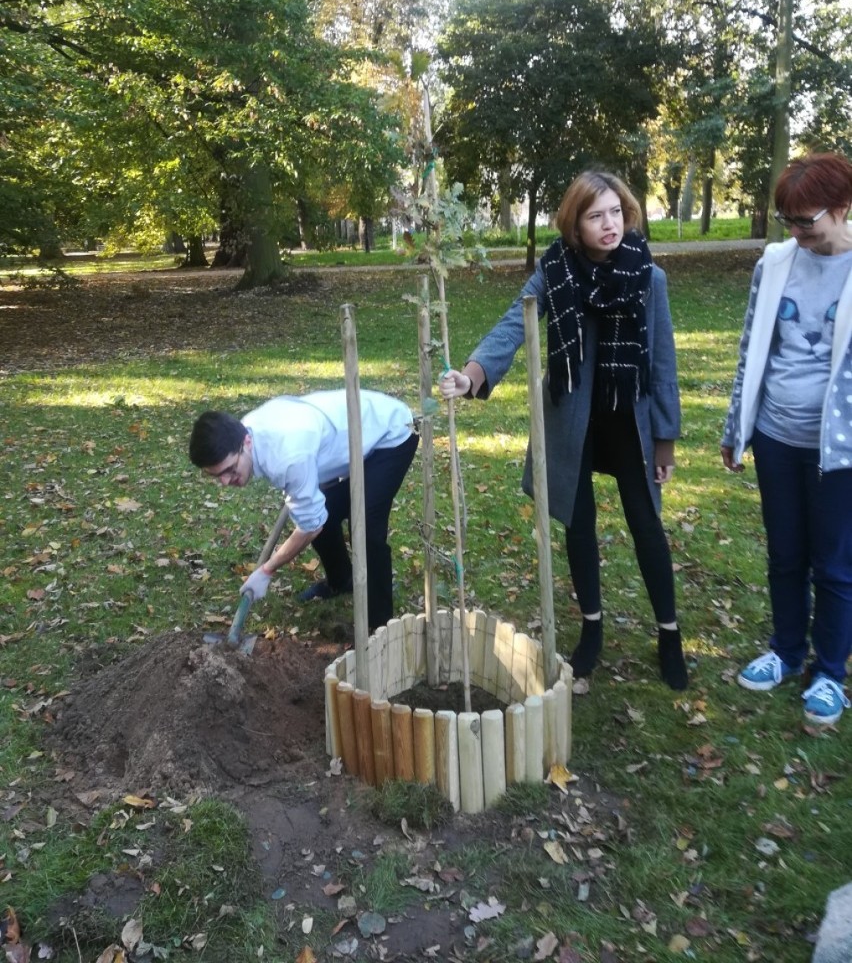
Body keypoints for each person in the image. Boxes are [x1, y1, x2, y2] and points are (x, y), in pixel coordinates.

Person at [440, 170, 687, 689]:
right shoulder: (556, 272)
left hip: (629, 420)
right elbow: (515, 322)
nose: (609, 223)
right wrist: (473, 374)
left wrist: (664, 439)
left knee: (646, 523)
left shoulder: (648, 276)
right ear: (575, 223)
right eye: (596, 215)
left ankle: (669, 634)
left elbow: (662, 362)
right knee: (579, 524)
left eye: (616, 212)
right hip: (573, 421)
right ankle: (591, 629)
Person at [721, 151, 852, 727]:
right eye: (789, 221)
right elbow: (752, 347)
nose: (798, 233)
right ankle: (785, 650)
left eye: (808, 221)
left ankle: (829, 675)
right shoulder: (774, 263)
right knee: (785, 555)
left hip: (839, 450)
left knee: (835, 564)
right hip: (776, 435)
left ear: (844, 208)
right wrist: (736, 427)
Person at [189, 390, 419, 631]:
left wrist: (267, 570)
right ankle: (342, 581)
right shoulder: (244, 433)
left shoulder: (286, 457)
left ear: (246, 442)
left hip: (390, 434)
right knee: (324, 513)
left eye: (229, 469)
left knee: (365, 529)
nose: (225, 482)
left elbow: (310, 526)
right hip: (350, 434)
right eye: (216, 476)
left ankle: (379, 626)